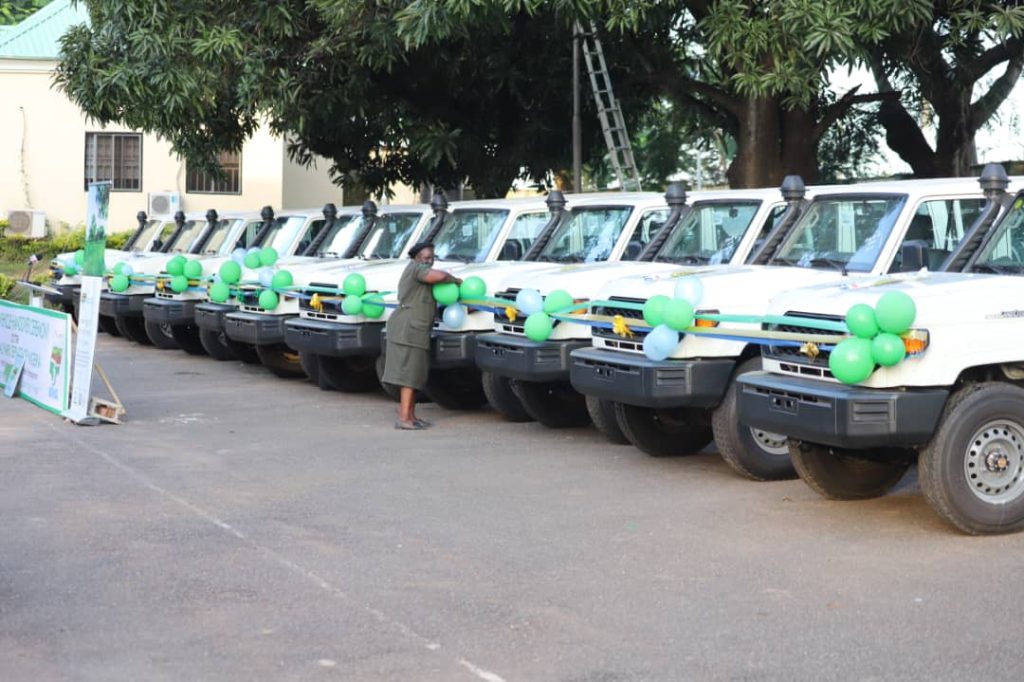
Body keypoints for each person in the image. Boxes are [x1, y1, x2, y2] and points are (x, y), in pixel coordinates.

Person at [382, 242, 462, 429]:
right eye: (426, 258)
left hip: (414, 330)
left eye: (432, 258)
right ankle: (404, 419)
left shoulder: (418, 269)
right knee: (409, 376)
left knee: (416, 374)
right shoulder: (417, 269)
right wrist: (455, 280)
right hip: (408, 329)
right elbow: (440, 276)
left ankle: (411, 416)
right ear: (416, 258)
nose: (429, 261)